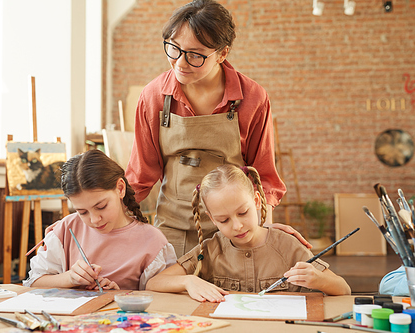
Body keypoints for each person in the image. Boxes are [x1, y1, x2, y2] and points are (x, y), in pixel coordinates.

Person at [125, 0, 303, 257]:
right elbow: (140, 177)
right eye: (173, 49)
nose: (180, 63)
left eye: (195, 55)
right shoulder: (153, 96)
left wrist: (264, 232)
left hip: (235, 232)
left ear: (222, 53)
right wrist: (96, 225)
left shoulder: (252, 98)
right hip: (172, 229)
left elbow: (263, 177)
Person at [146, 164, 351, 302]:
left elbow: (344, 289)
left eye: (243, 213)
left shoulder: (288, 246)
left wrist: (317, 279)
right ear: (211, 218)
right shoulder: (209, 250)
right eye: (224, 220)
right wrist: (187, 280)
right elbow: (153, 283)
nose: (237, 226)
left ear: (256, 201)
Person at [23, 149, 177, 290]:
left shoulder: (152, 241)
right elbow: (34, 282)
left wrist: (120, 295)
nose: (95, 220)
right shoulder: (67, 229)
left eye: (101, 206)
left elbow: (160, 300)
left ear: (120, 188)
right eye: (82, 212)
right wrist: (69, 278)